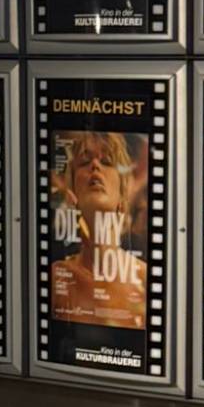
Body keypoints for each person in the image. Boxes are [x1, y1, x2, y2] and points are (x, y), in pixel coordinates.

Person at [50, 132, 146, 328]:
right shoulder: (57, 276)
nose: (95, 165)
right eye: (85, 162)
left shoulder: (145, 278)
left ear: (122, 195)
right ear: (72, 194)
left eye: (107, 162)